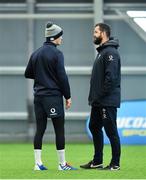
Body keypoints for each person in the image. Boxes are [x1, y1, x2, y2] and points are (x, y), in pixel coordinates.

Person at [24, 21, 77, 171]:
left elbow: (27, 73)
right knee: (59, 129)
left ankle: (38, 163)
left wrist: (41, 75)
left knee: (39, 129)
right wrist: (68, 96)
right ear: (54, 37)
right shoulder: (57, 54)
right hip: (53, 97)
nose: (62, 39)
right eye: (60, 36)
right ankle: (62, 164)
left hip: (38, 97)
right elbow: (62, 77)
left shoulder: (36, 53)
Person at [80, 23, 121, 170]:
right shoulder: (102, 52)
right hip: (98, 101)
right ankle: (97, 161)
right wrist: (95, 97)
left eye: (96, 32)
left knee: (111, 130)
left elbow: (111, 78)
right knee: (94, 126)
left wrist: (100, 95)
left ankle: (115, 164)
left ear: (103, 33)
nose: (94, 34)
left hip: (106, 100)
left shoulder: (111, 53)